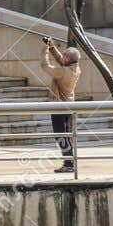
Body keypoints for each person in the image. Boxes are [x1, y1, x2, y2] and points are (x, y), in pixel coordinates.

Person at [42, 37, 81, 173]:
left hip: (59, 106)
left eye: (64, 55)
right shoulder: (75, 68)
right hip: (69, 105)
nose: (62, 56)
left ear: (68, 59)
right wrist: (52, 47)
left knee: (60, 135)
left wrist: (45, 51)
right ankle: (70, 161)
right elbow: (61, 60)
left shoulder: (64, 72)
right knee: (65, 135)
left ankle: (69, 163)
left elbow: (45, 66)